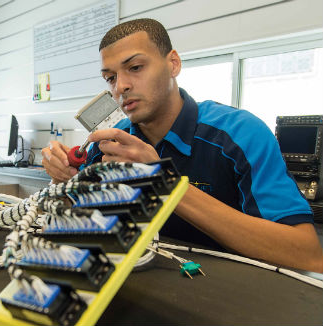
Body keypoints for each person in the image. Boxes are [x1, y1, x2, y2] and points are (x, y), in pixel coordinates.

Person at [41, 18, 323, 273]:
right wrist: (63, 180)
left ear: (173, 63)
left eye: (135, 67)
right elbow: (75, 220)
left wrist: (166, 183)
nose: (121, 86)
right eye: (110, 78)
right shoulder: (112, 142)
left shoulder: (241, 135)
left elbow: (306, 254)